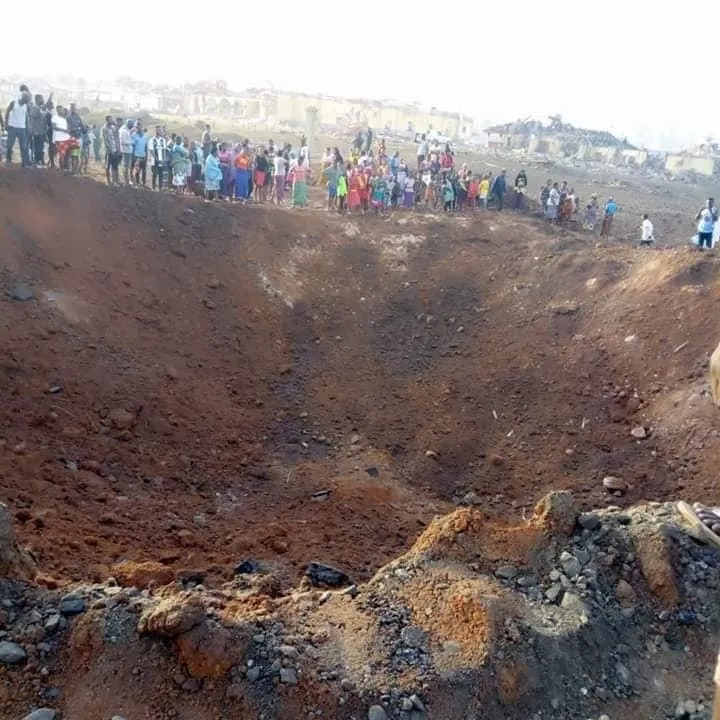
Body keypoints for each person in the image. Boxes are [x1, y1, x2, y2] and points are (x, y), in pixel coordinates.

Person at [5, 84, 32, 167]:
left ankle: (25, 163)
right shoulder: (14, 102)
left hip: (22, 128)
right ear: (23, 98)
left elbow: (27, 117)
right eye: (26, 100)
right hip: (12, 127)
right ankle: (8, 160)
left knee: (24, 146)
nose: (27, 101)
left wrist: (28, 126)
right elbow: (7, 112)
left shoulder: (27, 106)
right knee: (10, 145)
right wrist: (6, 123)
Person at [102, 116, 122, 184]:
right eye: (110, 120)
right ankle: (108, 180)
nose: (112, 121)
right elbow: (105, 140)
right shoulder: (104, 129)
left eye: (112, 119)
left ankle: (115, 180)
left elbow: (117, 136)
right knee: (108, 165)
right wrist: (109, 149)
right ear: (107, 120)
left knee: (115, 165)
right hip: (109, 150)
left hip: (115, 149)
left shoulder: (113, 128)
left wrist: (117, 149)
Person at [28, 95, 47, 167]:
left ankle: (39, 161)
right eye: (41, 99)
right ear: (37, 99)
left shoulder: (40, 108)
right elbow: (34, 116)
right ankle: (35, 161)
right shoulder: (34, 107)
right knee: (36, 147)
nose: (42, 100)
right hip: (36, 131)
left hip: (41, 131)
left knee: (40, 147)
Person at [148, 127, 167, 191]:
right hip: (154, 160)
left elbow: (164, 150)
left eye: (160, 130)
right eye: (158, 130)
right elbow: (151, 151)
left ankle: (160, 188)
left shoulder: (163, 140)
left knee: (161, 174)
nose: (159, 131)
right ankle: (153, 188)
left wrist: (164, 159)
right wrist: (156, 159)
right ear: (155, 131)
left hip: (161, 160)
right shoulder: (152, 140)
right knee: (154, 174)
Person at [119, 119, 135, 184]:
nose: (132, 126)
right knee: (126, 166)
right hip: (125, 151)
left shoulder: (126, 130)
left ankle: (126, 180)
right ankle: (126, 180)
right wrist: (132, 142)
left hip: (128, 150)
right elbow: (123, 141)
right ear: (128, 124)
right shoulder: (123, 131)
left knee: (127, 166)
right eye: (131, 125)